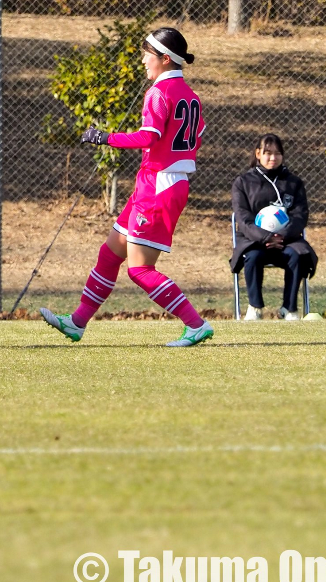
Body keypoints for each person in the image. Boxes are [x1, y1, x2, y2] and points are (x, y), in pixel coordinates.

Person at [40, 27, 215, 347]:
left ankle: (195, 324)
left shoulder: (159, 93)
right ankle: (77, 323)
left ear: (165, 59)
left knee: (140, 270)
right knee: (110, 253)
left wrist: (105, 138)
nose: (143, 60)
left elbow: (148, 137)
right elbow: (197, 135)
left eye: (148, 55)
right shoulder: (190, 95)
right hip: (160, 184)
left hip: (158, 187)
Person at [231, 134, 317, 320]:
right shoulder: (243, 182)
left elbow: (300, 216)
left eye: (277, 153)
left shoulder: (294, 183)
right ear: (258, 154)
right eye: (268, 153)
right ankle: (255, 307)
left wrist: (282, 236)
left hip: (287, 241)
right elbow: (243, 218)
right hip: (254, 241)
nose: (273, 158)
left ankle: (289, 308)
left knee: (297, 255)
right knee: (252, 257)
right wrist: (265, 237)